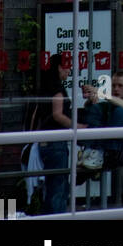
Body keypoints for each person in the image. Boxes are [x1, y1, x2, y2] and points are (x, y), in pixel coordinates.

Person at [37, 51, 80, 213]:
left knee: (54, 184)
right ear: (59, 68)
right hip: (56, 142)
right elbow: (58, 115)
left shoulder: (46, 85)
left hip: (47, 141)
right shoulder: (56, 87)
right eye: (66, 68)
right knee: (58, 185)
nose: (68, 72)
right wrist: (77, 126)